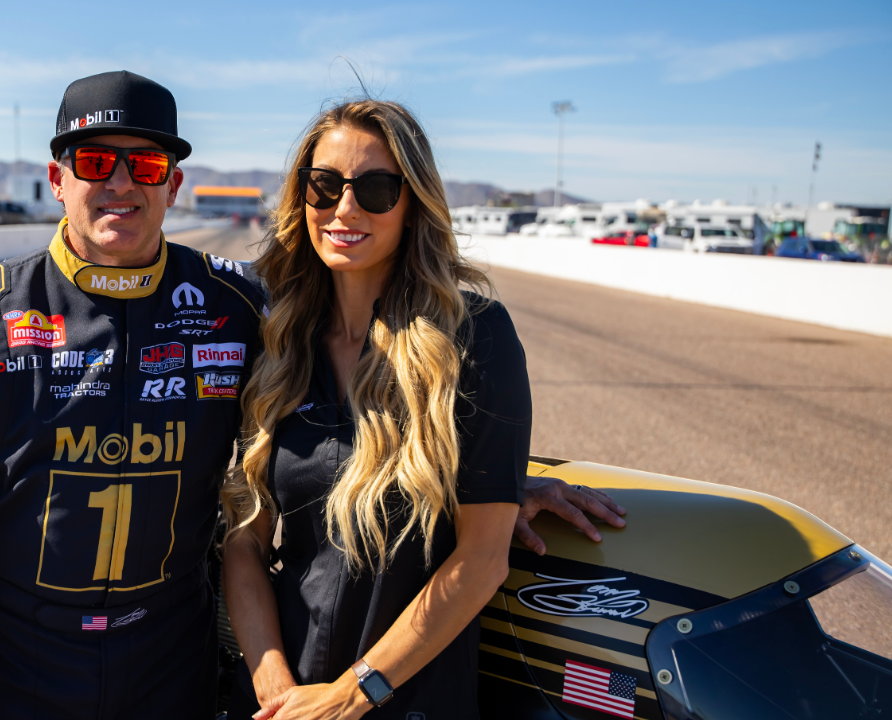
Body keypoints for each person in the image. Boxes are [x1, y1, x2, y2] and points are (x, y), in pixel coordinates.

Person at [0, 71, 623, 720]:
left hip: (174, 667)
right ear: (57, 178)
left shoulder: (242, 306)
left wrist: (500, 480)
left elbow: (387, 402)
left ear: (174, 184)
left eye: (146, 165)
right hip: (23, 666)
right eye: (96, 161)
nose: (120, 183)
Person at [221, 99, 620, 720]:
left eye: (376, 189)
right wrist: (274, 686)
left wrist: (351, 698)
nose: (345, 209)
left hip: (409, 702)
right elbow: (246, 539)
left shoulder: (474, 339)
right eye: (323, 186)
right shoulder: (279, 343)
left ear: (413, 206)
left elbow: (482, 558)